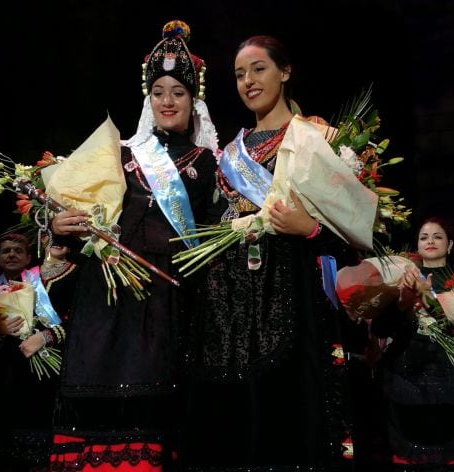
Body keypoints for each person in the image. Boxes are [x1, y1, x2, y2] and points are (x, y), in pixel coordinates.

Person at [180, 35, 359, 471]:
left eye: (258, 69)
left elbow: (353, 235)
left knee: (290, 417)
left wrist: (311, 228)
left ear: (285, 71)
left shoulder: (317, 138)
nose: (248, 81)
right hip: (229, 310)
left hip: (292, 295)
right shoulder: (224, 156)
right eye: (239, 74)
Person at [48, 20, 221, 471]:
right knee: (92, 394)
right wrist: (57, 222)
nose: (167, 101)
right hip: (104, 294)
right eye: (158, 91)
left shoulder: (212, 164)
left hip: (165, 295)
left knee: (152, 400)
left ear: (193, 102)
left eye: (178, 92)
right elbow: (79, 209)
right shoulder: (120, 153)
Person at [370, 217, 454, 471]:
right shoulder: (399, 279)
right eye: (424, 237)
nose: (430, 241)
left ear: (450, 244)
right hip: (405, 380)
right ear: (416, 245)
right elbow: (380, 327)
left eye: (438, 236)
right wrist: (404, 304)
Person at [0, 232, 65, 472]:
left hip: (40, 376)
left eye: (18, 251)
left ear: (29, 257)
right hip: (2, 378)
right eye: (6, 251)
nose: (11, 255)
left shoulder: (42, 285)